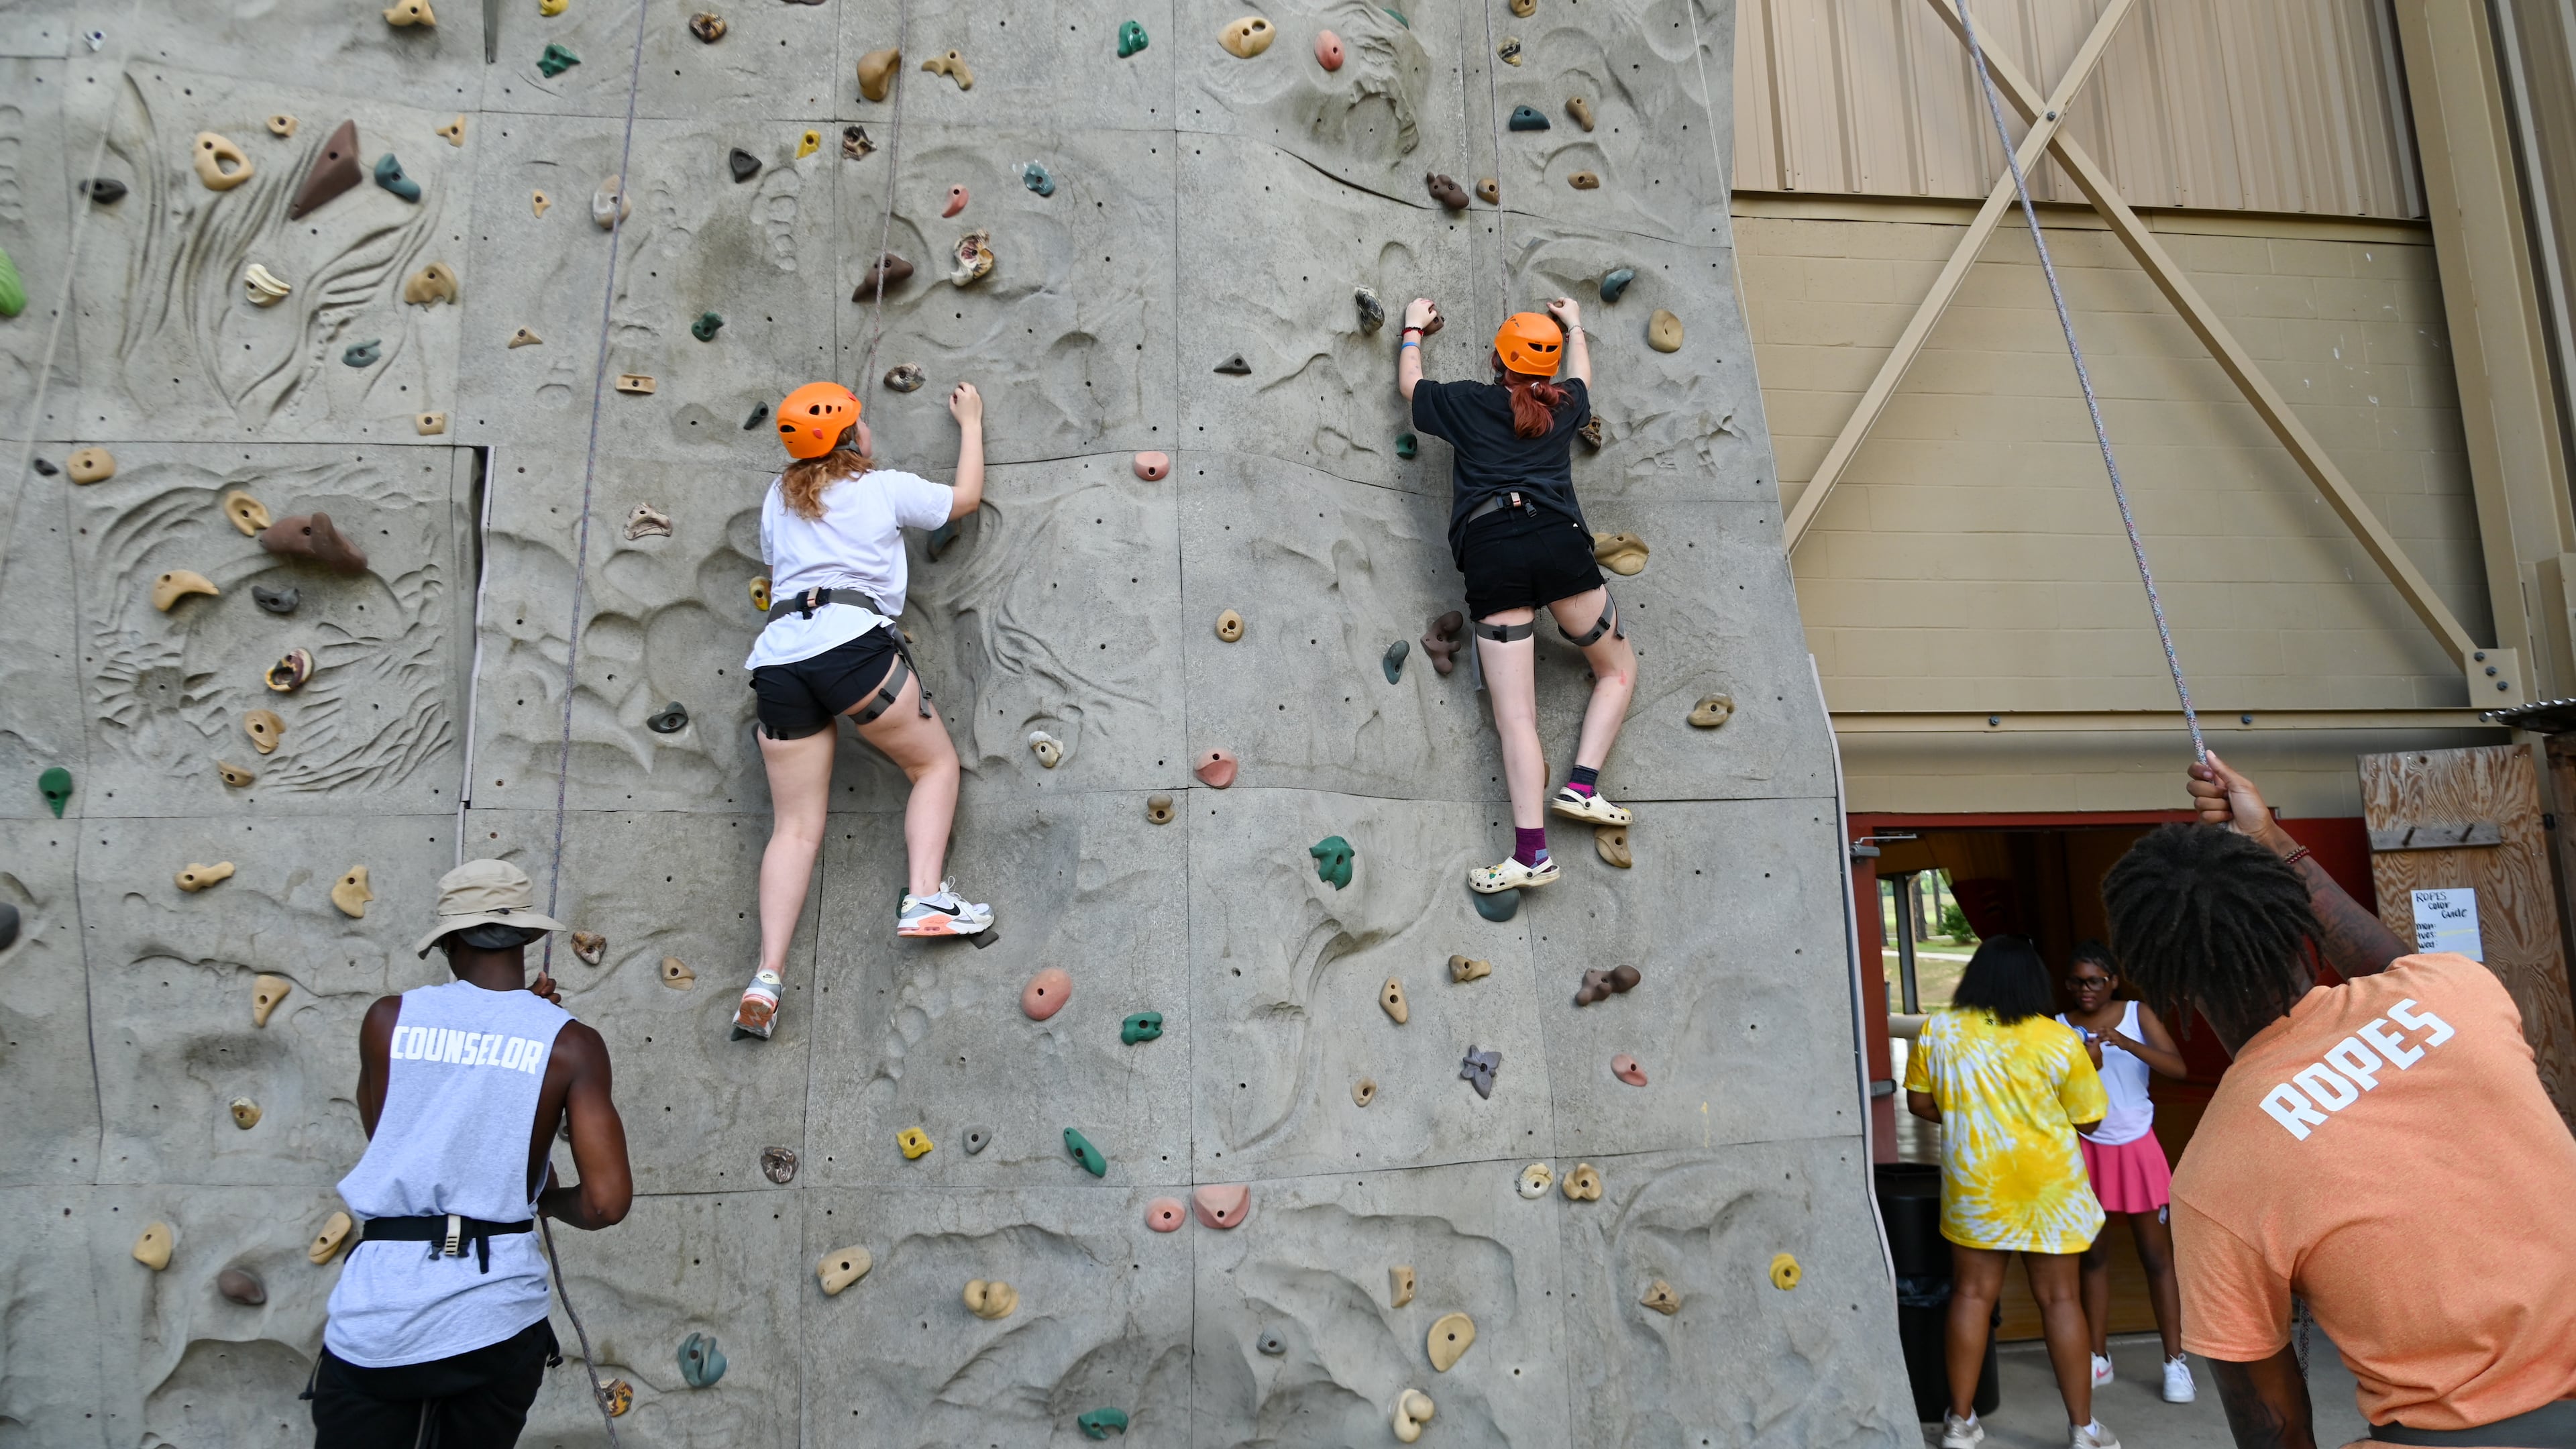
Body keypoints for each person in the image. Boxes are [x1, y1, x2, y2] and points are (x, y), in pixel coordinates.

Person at [2100, 751, 2576, 1448]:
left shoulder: (2214, 1178)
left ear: (2166, 985)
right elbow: (2390, 964)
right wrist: (2270, 839)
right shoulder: (2456, 994)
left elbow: (2275, 1426)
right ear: (2302, 928)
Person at [309, 859, 632, 1447]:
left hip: (380, 1315)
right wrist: (548, 1201)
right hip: (497, 1318)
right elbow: (607, 1203)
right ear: (531, 937)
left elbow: (398, 1140)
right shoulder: (570, 1043)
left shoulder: (387, 1021)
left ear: (451, 939)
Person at [735, 379, 992, 1040]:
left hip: (779, 661)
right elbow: (964, 500)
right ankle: (927, 894)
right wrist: (970, 423)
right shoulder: (880, 487)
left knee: (793, 827)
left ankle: (766, 976)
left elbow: (782, 558)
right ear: (852, 436)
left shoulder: (777, 498)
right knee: (935, 766)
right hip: (850, 647)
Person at [1397, 295, 1638, 894]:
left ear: (1497, 361)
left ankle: (1532, 854)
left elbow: (1410, 385)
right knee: (1617, 670)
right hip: (1559, 544)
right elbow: (1582, 374)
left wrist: (1412, 327)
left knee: (1516, 716)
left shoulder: (1466, 402)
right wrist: (1575, 321)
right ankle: (1583, 784)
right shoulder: (1567, 405)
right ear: (1549, 370)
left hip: (1492, 551)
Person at [1905, 934, 2121, 1449]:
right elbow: (2089, 1120)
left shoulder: (1939, 1031)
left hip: (1977, 1188)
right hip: (2051, 1192)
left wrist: (1965, 1116)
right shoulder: (2060, 1040)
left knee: (1972, 1296)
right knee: (2062, 1299)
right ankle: (2083, 1430)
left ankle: (1960, 1423)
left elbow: (1919, 1104)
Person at [2056, 938, 2196, 1403]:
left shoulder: (2138, 1012)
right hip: (2086, 1148)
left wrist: (2124, 1042)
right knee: (2093, 1258)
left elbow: (2177, 1068)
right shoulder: (2059, 1027)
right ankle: (2098, 1357)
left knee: (2156, 1258)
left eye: (2094, 981)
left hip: (2138, 1146)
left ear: (2113, 980)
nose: (2085, 990)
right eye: (2076, 982)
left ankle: (2175, 1362)